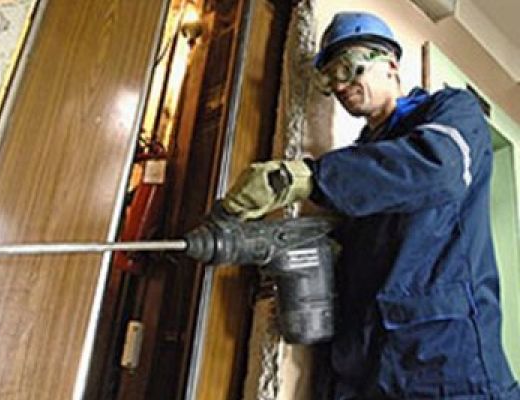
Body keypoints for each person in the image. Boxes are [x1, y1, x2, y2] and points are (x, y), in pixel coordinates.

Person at [221, 11, 520, 399]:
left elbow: (438, 168)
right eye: (329, 79)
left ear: (390, 64)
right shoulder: (359, 164)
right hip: (372, 371)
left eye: (347, 69)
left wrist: (304, 178)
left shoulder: (450, 112)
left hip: (451, 366)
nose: (339, 86)